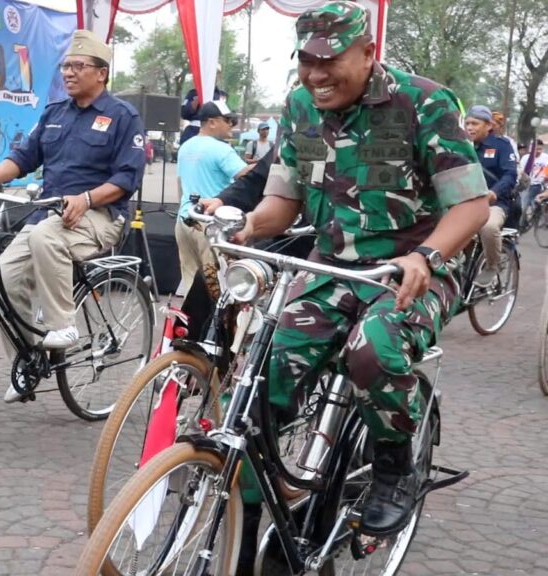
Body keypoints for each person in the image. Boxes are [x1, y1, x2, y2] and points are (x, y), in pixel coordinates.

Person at [225, 1, 488, 540]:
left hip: (418, 269)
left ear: (368, 53)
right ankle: (250, 518)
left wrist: (426, 256)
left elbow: (471, 206)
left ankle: (394, 465)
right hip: (333, 269)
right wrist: (247, 225)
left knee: (373, 349)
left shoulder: (422, 101)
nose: (316, 75)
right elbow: (284, 201)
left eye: (330, 61)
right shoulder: (300, 106)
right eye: (306, 61)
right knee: (262, 373)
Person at [0, 30, 146, 401]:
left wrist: (86, 198)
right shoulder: (54, 113)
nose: (68, 72)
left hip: (101, 216)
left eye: (78, 66)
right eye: (65, 65)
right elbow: (22, 157)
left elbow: (127, 177)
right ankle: (32, 357)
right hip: (50, 216)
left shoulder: (122, 116)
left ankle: (62, 325)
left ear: (101, 73)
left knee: (43, 236)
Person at [174, 100, 247, 296]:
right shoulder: (221, 149)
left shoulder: (185, 147)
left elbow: (180, 185)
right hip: (211, 225)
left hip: (184, 220)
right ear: (212, 122)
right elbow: (248, 178)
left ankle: (189, 325)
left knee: (191, 286)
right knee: (218, 289)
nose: (232, 124)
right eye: (228, 120)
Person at [465, 104, 517, 281]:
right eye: (468, 123)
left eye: (475, 123)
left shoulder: (502, 145)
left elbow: (510, 175)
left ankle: (492, 266)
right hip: (466, 202)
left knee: (488, 227)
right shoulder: (463, 145)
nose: (470, 127)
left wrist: (494, 192)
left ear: (488, 125)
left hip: (495, 203)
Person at [178, 65, 227, 146]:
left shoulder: (222, 96)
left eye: (216, 73)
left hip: (213, 132)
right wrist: (195, 103)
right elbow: (184, 114)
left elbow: (225, 117)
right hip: (194, 131)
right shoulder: (193, 93)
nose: (214, 76)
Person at [521, 139, 547, 209]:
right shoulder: (525, 158)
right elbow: (522, 172)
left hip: (541, 185)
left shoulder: (546, 158)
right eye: (536, 149)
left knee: (538, 206)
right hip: (528, 186)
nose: (538, 151)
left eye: (540, 149)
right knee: (525, 207)